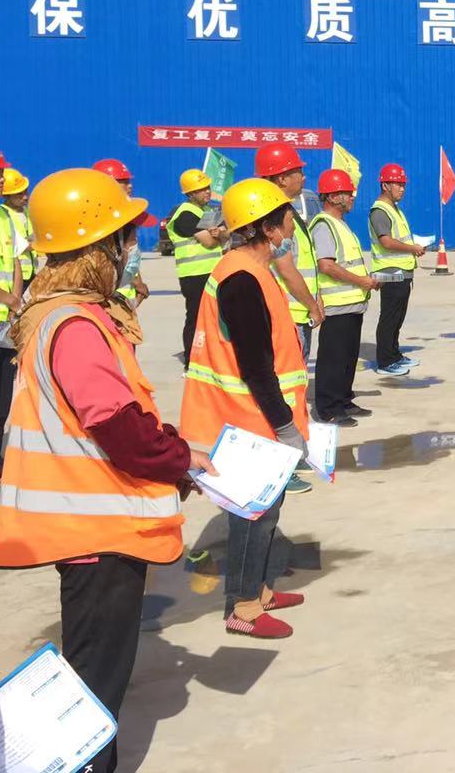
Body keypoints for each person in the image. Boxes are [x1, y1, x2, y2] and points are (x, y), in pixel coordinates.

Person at [0, 167, 214, 773]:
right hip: (97, 531)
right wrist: (179, 459)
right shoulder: (76, 326)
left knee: (91, 670)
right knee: (93, 689)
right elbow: (118, 428)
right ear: (98, 246)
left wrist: (171, 452)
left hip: (87, 526)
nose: (130, 249)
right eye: (124, 238)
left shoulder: (58, 315)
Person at [181, 178, 311, 638]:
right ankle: (243, 607)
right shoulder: (241, 279)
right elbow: (256, 367)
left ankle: (260, 590)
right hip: (246, 419)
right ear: (268, 228)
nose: (292, 225)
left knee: (267, 511)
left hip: (256, 416)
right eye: (288, 217)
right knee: (251, 516)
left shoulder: (254, 268)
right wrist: (285, 425)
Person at [309, 169, 379, 426]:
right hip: (337, 306)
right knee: (334, 359)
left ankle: (344, 399)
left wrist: (366, 280)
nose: (352, 197)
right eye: (347, 193)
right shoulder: (324, 225)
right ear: (332, 196)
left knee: (348, 357)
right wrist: (361, 281)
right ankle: (328, 408)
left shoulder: (340, 224)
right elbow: (326, 265)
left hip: (352, 304)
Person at [254, 143, 324, 361]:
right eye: (299, 172)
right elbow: (286, 269)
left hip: (296, 310)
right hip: (288, 314)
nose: (304, 177)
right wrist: (313, 306)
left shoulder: (285, 210)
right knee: (290, 374)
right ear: (282, 179)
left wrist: (316, 297)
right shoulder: (276, 215)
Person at [368, 162, 425, 375]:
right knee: (389, 317)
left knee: (398, 317)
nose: (402, 188)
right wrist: (412, 248)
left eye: (403, 184)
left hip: (402, 271)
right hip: (390, 272)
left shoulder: (394, 210)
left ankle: (394, 354)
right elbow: (386, 241)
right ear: (385, 185)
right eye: (398, 184)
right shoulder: (380, 211)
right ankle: (385, 361)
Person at [167, 169, 228, 366]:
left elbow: (227, 234)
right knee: (196, 317)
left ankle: (210, 358)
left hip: (213, 272)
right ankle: (191, 361)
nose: (207, 192)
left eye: (208, 187)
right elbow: (209, 241)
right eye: (201, 189)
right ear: (190, 193)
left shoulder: (208, 211)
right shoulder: (185, 214)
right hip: (194, 275)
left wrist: (220, 234)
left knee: (214, 317)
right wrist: (218, 235)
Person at [0, 145, 24, 495]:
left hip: (3, 325)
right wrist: (8, 299)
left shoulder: (4, 216)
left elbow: (15, 261)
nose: (2, 178)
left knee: (1, 404)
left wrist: (15, 301)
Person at [93, 159, 152, 313]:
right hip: (115, 292)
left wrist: (137, 281)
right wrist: (137, 283)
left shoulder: (94, 217)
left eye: (129, 181)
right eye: (123, 182)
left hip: (109, 291)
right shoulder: (117, 219)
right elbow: (128, 254)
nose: (130, 186)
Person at [2, 167, 35, 288]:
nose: (25, 197)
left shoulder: (27, 212)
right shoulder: (4, 215)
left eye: (26, 192)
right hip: (15, 275)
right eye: (19, 194)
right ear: (7, 196)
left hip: (31, 272)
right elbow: (20, 246)